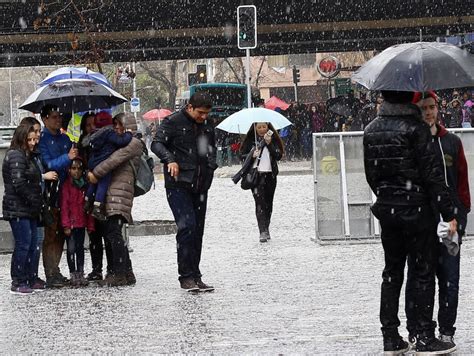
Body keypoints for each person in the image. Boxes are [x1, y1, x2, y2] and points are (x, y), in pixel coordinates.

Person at [363, 90, 457, 354]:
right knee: (422, 273)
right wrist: (448, 213)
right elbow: (432, 176)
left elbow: (372, 174)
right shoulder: (416, 130)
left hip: (388, 212)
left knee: (392, 273)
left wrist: (388, 195)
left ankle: (390, 336)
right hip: (417, 212)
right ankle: (424, 335)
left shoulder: (371, 129)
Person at [405, 91, 470, 349]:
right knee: (419, 277)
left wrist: (460, 213)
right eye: (423, 108)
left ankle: (446, 330)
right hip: (421, 220)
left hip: (451, 221)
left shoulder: (451, 142)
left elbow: (462, 181)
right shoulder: (412, 143)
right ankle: (417, 328)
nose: (428, 112)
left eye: (431, 107)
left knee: (449, 277)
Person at [151, 92, 217, 292]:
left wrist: (211, 167)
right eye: (200, 113)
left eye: (206, 113)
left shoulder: (207, 125)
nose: (203, 117)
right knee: (187, 226)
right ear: (190, 107)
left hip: (200, 184)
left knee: (197, 230)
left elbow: (209, 149)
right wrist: (169, 159)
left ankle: (195, 274)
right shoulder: (173, 122)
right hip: (178, 184)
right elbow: (156, 143)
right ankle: (186, 275)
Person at [87, 113, 141, 286]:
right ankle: (125, 272)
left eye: (119, 125)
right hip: (115, 192)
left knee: (113, 233)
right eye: (114, 125)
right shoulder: (121, 141)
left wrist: (94, 173)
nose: (116, 129)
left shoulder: (132, 143)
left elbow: (113, 161)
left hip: (120, 193)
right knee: (113, 233)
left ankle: (119, 273)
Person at [38, 104, 78, 288]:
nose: (58, 120)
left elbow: (71, 163)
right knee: (51, 233)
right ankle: (50, 272)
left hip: (65, 191)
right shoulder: (42, 139)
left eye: (59, 116)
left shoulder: (65, 138)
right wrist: (67, 158)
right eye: (54, 117)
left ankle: (56, 270)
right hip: (50, 192)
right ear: (45, 119)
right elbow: (48, 164)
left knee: (62, 232)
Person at [2, 124, 43, 294]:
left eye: (35, 139)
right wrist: (33, 199)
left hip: (26, 208)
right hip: (19, 208)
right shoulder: (16, 156)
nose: (33, 143)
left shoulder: (26, 155)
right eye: (30, 140)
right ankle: (18, 279)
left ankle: (29, 277)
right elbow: (19, 184)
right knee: (24, 244)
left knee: (31, 244)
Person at [19, 116, 58, 290]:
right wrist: (43, 176)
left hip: (38, 203)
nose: (37, 137)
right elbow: (22, 178)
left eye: (38, 133)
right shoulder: (20, 155)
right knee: (26, 243)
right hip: (26, 206)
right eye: (34, 133)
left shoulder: (35, 154)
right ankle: (23, 278)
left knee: (36, 242)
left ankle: (32, 276)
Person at [78, 112, 113, 282]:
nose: (92, 128)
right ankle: (96, 268)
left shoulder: (107, 139)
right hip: (89, 192)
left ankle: (113, 268)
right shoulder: (83, 145)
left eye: (94, 124)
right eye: (88, 125)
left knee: (109, 232)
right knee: (93, 233)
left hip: (106, 192)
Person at [240, 122, 284, 242]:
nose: (262, 129)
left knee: (268, 203)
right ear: (255, 128)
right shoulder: (250, 140)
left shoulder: (272, 139)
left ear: (268, 127)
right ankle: (262, 231)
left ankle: (266, 227)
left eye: (264, 127)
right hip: (256, 176)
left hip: (270, 175)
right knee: (259, 203)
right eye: (259, 127)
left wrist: (270, 144)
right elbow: (241, 156)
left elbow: (278, 155)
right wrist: (252, 155)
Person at [84, 111, 132, 220]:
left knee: (93, 184)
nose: (116, 127)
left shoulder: (94, 135)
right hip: (103, 162)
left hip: (93, 162)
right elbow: (122, 141)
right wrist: (128, 134)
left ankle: (87, 200)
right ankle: (97, 206)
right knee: (103, 183)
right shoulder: (109, 133)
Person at [60, 157, 95, 287]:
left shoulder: (85, 186)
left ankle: (80, 272)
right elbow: (64, 207)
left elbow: (88, 207)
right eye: (73, 168)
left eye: (79, 169)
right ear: (69, 170)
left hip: (81, 223)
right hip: (71, 223)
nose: (76, 172)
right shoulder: (66, 186)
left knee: (80, 248)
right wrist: (66, 225)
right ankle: (73, 273)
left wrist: (90, 224)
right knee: (71, 249)